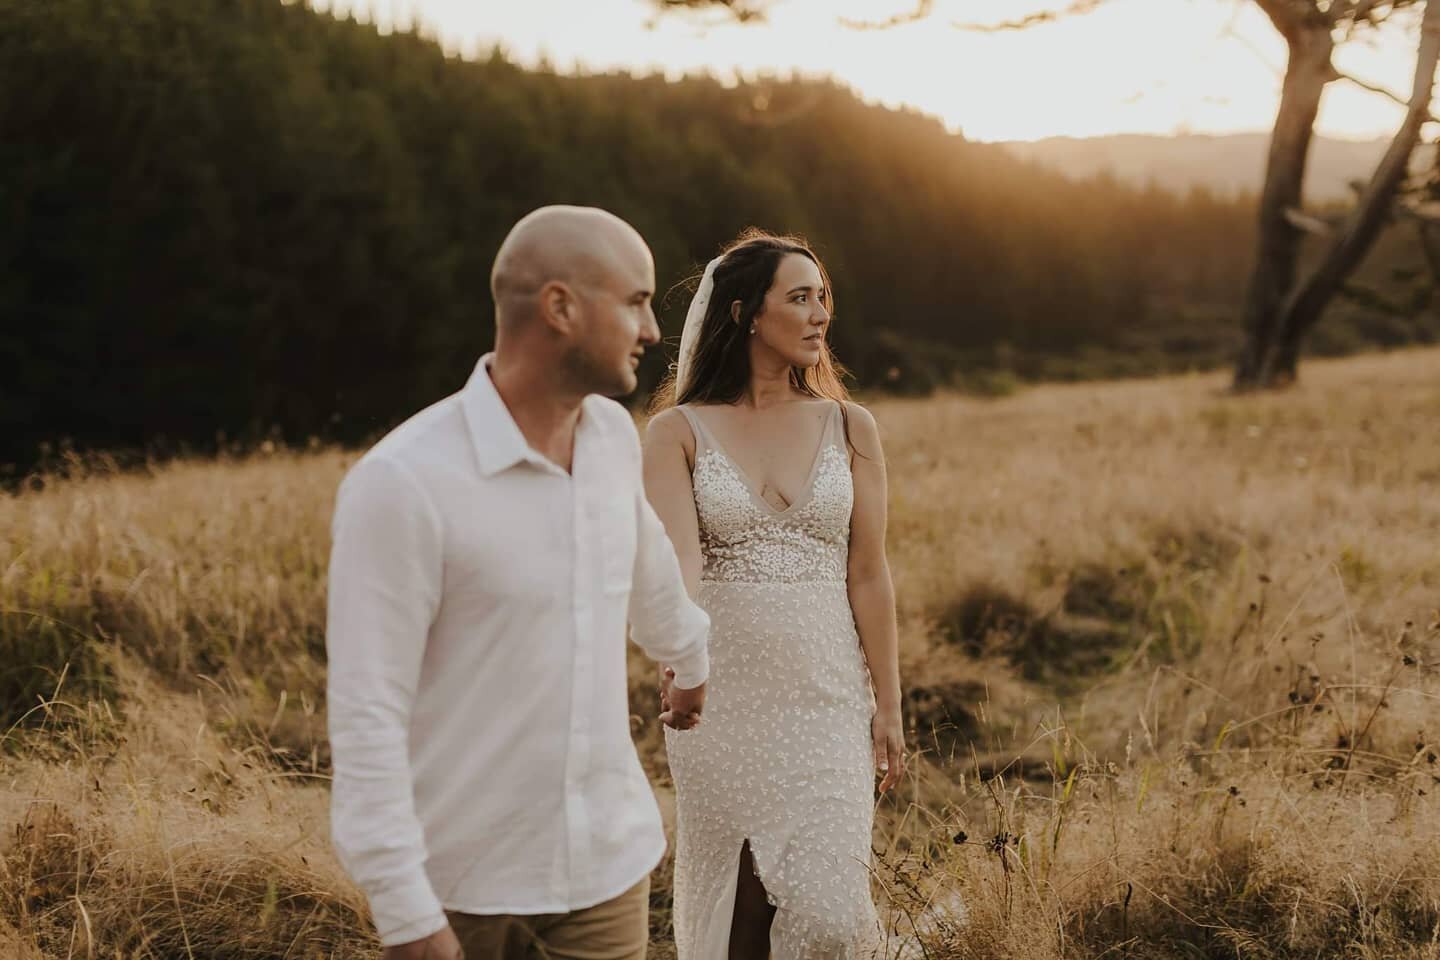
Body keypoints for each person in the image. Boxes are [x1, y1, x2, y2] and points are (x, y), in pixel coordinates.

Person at [326, 205, 710, 960]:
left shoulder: (607, 440)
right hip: (462, 889)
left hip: (606, 868)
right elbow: (366, 716)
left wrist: (690, 662)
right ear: (560, 307)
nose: (652, 331)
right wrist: (407, 917)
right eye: (635, 301)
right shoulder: (403, 483)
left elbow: (646, 566)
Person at [643, 228, 905, 959]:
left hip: (827, 696)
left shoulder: (851, 426)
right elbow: (679, 568)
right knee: (740, 914)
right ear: (744, 315)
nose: (820, 313)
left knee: (825, 909)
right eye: (799, 297)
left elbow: (869, 573)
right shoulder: (676, 433)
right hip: (720, 699)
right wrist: (684, 661)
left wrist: (890, 704)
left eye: (823, 298)